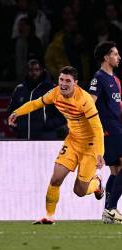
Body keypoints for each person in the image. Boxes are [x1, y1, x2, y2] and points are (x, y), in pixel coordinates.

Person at [8, 66, 105, 224]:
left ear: (75, 83)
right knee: (55, 179)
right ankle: (49, 216)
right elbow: (36, 103)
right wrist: (17, 112)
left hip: (91, 145)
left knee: (79, 191)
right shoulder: (55, 93)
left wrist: (100, 153)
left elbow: (97, 128)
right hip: (73, 141)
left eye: (68, 81)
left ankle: (96, 184)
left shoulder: (84, 99)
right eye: (61, 80)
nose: (63, 84)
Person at [89, 41, 122, 224]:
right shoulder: (98, 78)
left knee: (116, 170)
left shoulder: (116, 80)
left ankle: (107, 212)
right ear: (106, 57)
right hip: (109, 131)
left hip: (118, 128)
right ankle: (111, 208)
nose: (119, 57)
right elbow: (90, 104)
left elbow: (119, 105)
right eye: (115, 54)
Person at [7, 59, 67, 140]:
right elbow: (11, 112)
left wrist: (47, 124)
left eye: (37, 70)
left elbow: (63, 115)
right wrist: (17, 125)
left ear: (42, 70)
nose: (34, 73)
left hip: (46, 139)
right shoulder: (19, 89)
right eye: (31, 70)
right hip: (23, 139)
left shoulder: (53, 89)